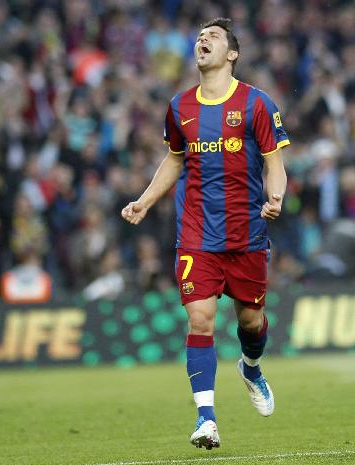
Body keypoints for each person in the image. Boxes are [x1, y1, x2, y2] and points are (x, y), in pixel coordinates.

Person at [121, 18, 288, 450]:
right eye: (199, 36)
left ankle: (251, 368)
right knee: (200, 319)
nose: (202, 40)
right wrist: (145, 199)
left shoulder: (256, 103)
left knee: (251, 321)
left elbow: (274, 162)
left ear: (231, 54)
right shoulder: (179, 107)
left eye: (213, 37)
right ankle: (206, 419)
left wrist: (275, 196)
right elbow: (175, 160)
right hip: (197, 232)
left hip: (247, 231)